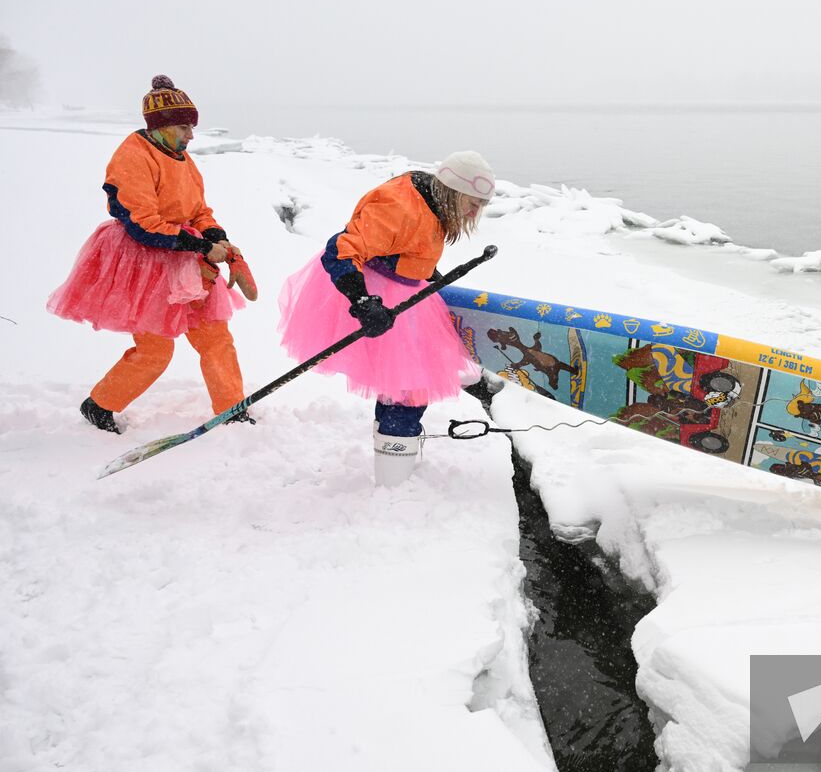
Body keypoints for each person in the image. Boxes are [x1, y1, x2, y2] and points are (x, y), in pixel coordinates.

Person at [48, 75, 254, 433]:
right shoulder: (132, 157)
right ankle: (99, 405)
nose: (191, 135)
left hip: (187, 260)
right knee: (156, 350)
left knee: (215, 336)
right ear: (159, 126)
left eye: (191, 126)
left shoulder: (182, 158)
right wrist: (203, 246)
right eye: (183, 126)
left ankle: (231, 410)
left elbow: (198, 210)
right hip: (145, 262)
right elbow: (143, 226)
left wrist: (217, 236)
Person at [277, 151, 493, 486]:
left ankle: (395, 458)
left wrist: (426, 273)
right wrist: (362, 301)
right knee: (409, 388)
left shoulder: (433, 201)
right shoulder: (400, 206)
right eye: (472, 203)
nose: (473, 212)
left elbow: (405, 247)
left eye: (480, 206)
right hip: (374, 292)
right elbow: (340, 250)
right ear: (454, 192)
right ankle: (393, 478)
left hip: (405, 291)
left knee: (403, 386)